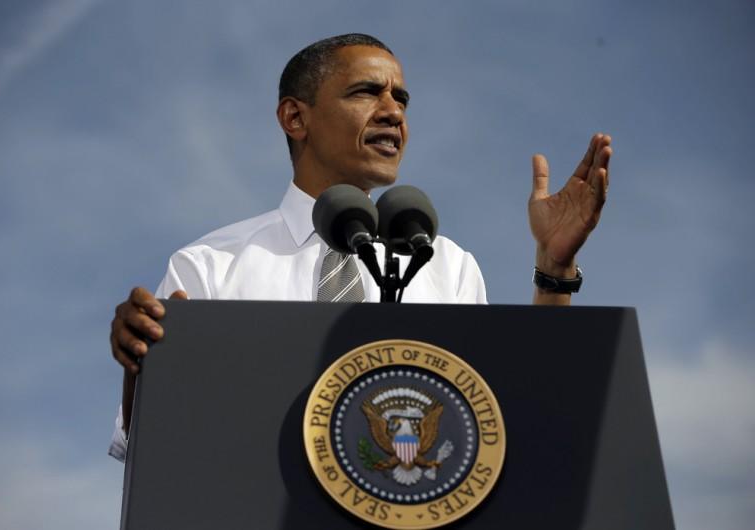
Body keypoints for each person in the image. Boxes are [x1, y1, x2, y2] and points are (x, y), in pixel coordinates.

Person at [108, 34, 611, 461]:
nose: (393, 112)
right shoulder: (210, 267)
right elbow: (150, 446)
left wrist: (554, 266)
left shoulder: (445, 265)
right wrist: (142, 372)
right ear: (294, 117)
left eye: (402, 99)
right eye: (367, 92)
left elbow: (507, 416)